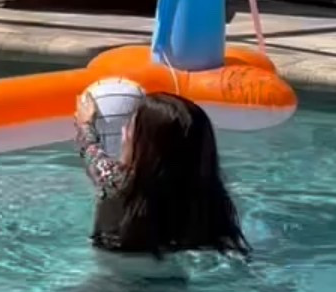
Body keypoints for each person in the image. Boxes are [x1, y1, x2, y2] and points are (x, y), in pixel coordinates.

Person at [75, 89, 248, 262]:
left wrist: (85, 124)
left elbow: (90, 151)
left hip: (118, 277)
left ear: (142, 145)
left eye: (128, 127)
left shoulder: (115, 183)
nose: (123, 132)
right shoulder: (212, 197)